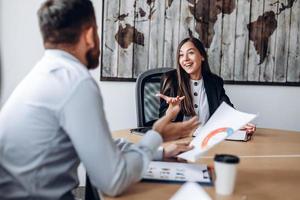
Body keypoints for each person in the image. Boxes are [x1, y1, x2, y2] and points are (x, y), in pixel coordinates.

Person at [0, 1, 199, 199]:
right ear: (89, 35)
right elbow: (113, 181)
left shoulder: (46, 73)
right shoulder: (75, 82)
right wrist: (157, 135)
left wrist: (158, 151)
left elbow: (100, 146)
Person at [157, 37, 255, 137]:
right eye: (181, 55)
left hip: (206, 141)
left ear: (202, 56)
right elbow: (161, 124)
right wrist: (170, 111)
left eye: (190, 53)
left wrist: (239, 123)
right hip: (179, 142)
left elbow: (227, 109)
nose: (185, 58)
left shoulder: (215, 82)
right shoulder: (171, 80)